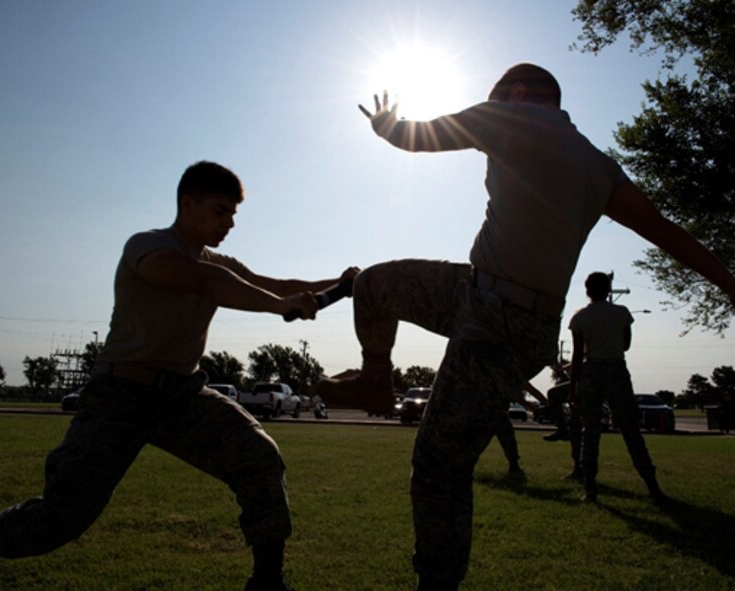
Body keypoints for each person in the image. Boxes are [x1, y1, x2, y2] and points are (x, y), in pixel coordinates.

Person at [313, 63, 735, 590]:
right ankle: (376, 376)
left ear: (515, 93)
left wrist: (385, 126)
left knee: (439, 467)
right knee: (374, 286)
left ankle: (436, 583)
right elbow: (664, 231)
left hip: (490, 315)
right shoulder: (599, 167)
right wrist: (729, 283)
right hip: (507, 311)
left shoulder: (505, 116)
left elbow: (415, 138)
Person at [0, 160, 358, 591]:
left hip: (183, 396)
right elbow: (204, 282)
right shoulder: (147, 247)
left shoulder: (221, 263)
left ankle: (267, 582)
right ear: (188, 203)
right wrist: (280, 306)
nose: (230, 223)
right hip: (119, 396)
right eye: (221, 211)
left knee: (258, 457)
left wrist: (344, 282)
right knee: (62, 517)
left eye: (234, 215)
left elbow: (275, 284)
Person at [569, 272, 662, 503]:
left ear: (587, 290)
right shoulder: (621, 313)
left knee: (590, 431)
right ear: (609, 289)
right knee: (630, 430)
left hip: (590, 373)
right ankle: (652, 486)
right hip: (617, 370)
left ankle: (589, 489)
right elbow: (626, 345)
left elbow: (578, 354)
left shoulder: (580, 317)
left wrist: (573, 386)